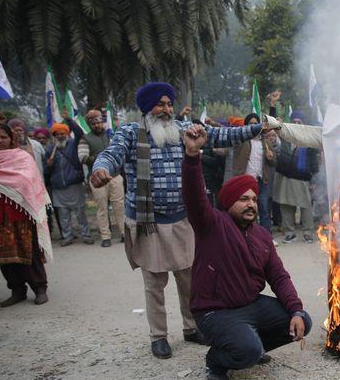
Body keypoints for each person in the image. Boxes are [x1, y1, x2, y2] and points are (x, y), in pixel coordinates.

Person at [90, 82, 267, 358]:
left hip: (184, 221)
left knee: (190, 279)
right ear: (147, 107)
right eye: (160, 104)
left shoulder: (186, 130)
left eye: (169, 104)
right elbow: (110, 155)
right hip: (149, 222)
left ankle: (192, 327)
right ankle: (158, 336)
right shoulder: (130, 133)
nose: (167, 109)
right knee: (154, 283)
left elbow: (222, 135)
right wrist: (101, 168)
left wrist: (258, 128)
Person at [180, 124, 311, 380]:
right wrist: (192, 157)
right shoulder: (211, 224)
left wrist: (296, 310)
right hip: (215, 313)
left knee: (302, 321)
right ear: (229, 203)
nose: (250, 204)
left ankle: (251, 344)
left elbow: (279, 277)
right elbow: (194, 196)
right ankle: (216, 360)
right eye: (243, 199)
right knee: (247, 352)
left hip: (250, 305)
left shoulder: (262, 235)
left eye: (253, 199)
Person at [0, 124, 52, 306]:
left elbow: (29, 182)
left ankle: (40, 288)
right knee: (4, 257)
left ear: (11, 139)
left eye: (3, 137)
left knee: (29, 252)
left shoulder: (22, 158)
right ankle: (17, 290)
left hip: (22, 215)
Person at [79, 109, 126, 247]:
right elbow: (82, 157)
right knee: (102, 208)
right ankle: (105, 236)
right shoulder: (85, 138)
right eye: (94, 123)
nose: (97, 125)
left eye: (99, 122)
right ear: (89, 125)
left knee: (119, 206)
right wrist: (103, 159)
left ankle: (124, 233)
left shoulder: (111, 134)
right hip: (97, 178)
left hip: (115, 176)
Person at [46, 116, 94, 246]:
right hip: (58, 187)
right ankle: (67, 237)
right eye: (57, 134)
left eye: (63, 133)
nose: (60, 136)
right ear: (54, 136)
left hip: (74, 184)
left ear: (67, 134)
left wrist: (69, 120)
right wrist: (48, 165)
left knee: (80, 212)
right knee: (63, 215)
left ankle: (86, 235)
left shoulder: (73, 144)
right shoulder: (50, 149)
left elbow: (79, 133)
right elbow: (46, 171)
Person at [272, 111, 316, 244]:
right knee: (286, 206)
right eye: (294, 121)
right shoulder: (285, 135)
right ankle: (289, 233)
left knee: (306, 207)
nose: (296, 124)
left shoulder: (308, 138)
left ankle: (308, 233)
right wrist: (273, 108)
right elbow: (274, 124)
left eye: (299, 122)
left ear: (303, 123)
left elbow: (313, 161)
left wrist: (314, 180)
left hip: (302, 178)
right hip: (284, 176)